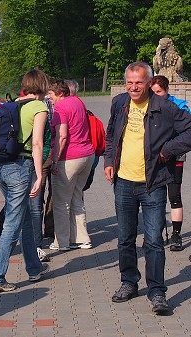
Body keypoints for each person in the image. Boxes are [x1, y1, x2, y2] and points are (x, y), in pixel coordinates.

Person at [104, 61, 191, 314]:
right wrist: (109, 161)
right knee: (125, 238)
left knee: (153, 241)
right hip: (123, 182)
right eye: (130, 82)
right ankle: (129, 282)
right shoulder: (119, 103)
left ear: (149, 83)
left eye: (139, 83)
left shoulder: (165, 107)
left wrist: (168, 150)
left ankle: (157, 291)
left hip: (152, 183)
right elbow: (111, 135)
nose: (133, 87)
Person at [0, 69, 50, 293]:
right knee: (12, 226)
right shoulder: (39, 107)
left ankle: (34, 268)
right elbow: (37, 144)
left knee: (22, 220)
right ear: (42, 86)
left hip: (1, 168)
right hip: (21, 169)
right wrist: (40, 174)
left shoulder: (12, 105)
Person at [48, 79, 95, 251]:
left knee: (61, 202)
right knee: (76, 197)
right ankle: (83, 239)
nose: (49, 97)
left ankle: (62, 242)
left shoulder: (60, 107)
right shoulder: (78, 101)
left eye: (51, 94)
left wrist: (55, 160)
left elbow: (62, 136)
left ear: (60, 93)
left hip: (69, 157)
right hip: (87, 154)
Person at [149, 75, 190, 252]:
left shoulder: (178, 107)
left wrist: (169, 149)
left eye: (159, 92)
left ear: (166, 90)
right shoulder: (148, 106)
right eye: (153, 93)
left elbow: (186, 133)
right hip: (155, 159)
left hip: (175, 157)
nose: (156, 96)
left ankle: (176, 234)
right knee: (154, 197)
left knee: (174, 196)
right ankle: (156, 233)